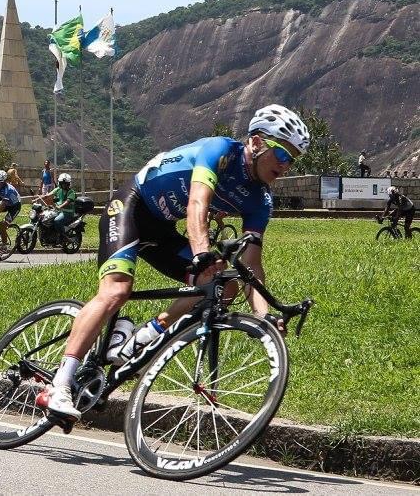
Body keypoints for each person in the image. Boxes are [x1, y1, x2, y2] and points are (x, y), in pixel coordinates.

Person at [43, 104, 310, 419]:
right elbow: (199, 201)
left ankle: (144, 335)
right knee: (116, 291)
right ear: (255, 142)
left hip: (161, 229)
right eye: (282, 155)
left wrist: (263, 316)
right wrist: (200, 252)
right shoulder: (220, 151)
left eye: (293, 160)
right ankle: (58, 385)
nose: (286, 165)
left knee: (223, 286)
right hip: (131, 206)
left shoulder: (260, 201)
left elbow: (252, 264)